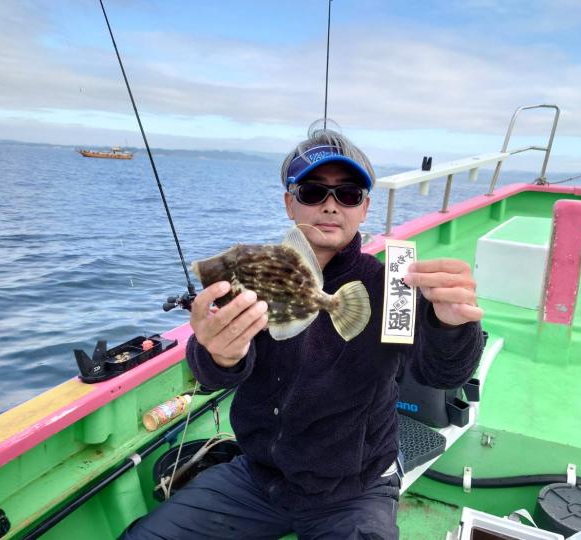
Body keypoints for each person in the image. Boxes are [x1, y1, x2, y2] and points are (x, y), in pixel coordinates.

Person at [122, 125, 484, 539]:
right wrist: (217, 353)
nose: (330, 205)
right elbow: (214, 374)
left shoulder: (392, 286)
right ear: (289, 203)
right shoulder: (259, 274)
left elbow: (443, 374)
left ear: (364, 208)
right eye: (313, 192)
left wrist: (451, 325)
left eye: (348, 194)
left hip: (355, 489)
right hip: (258, 478)